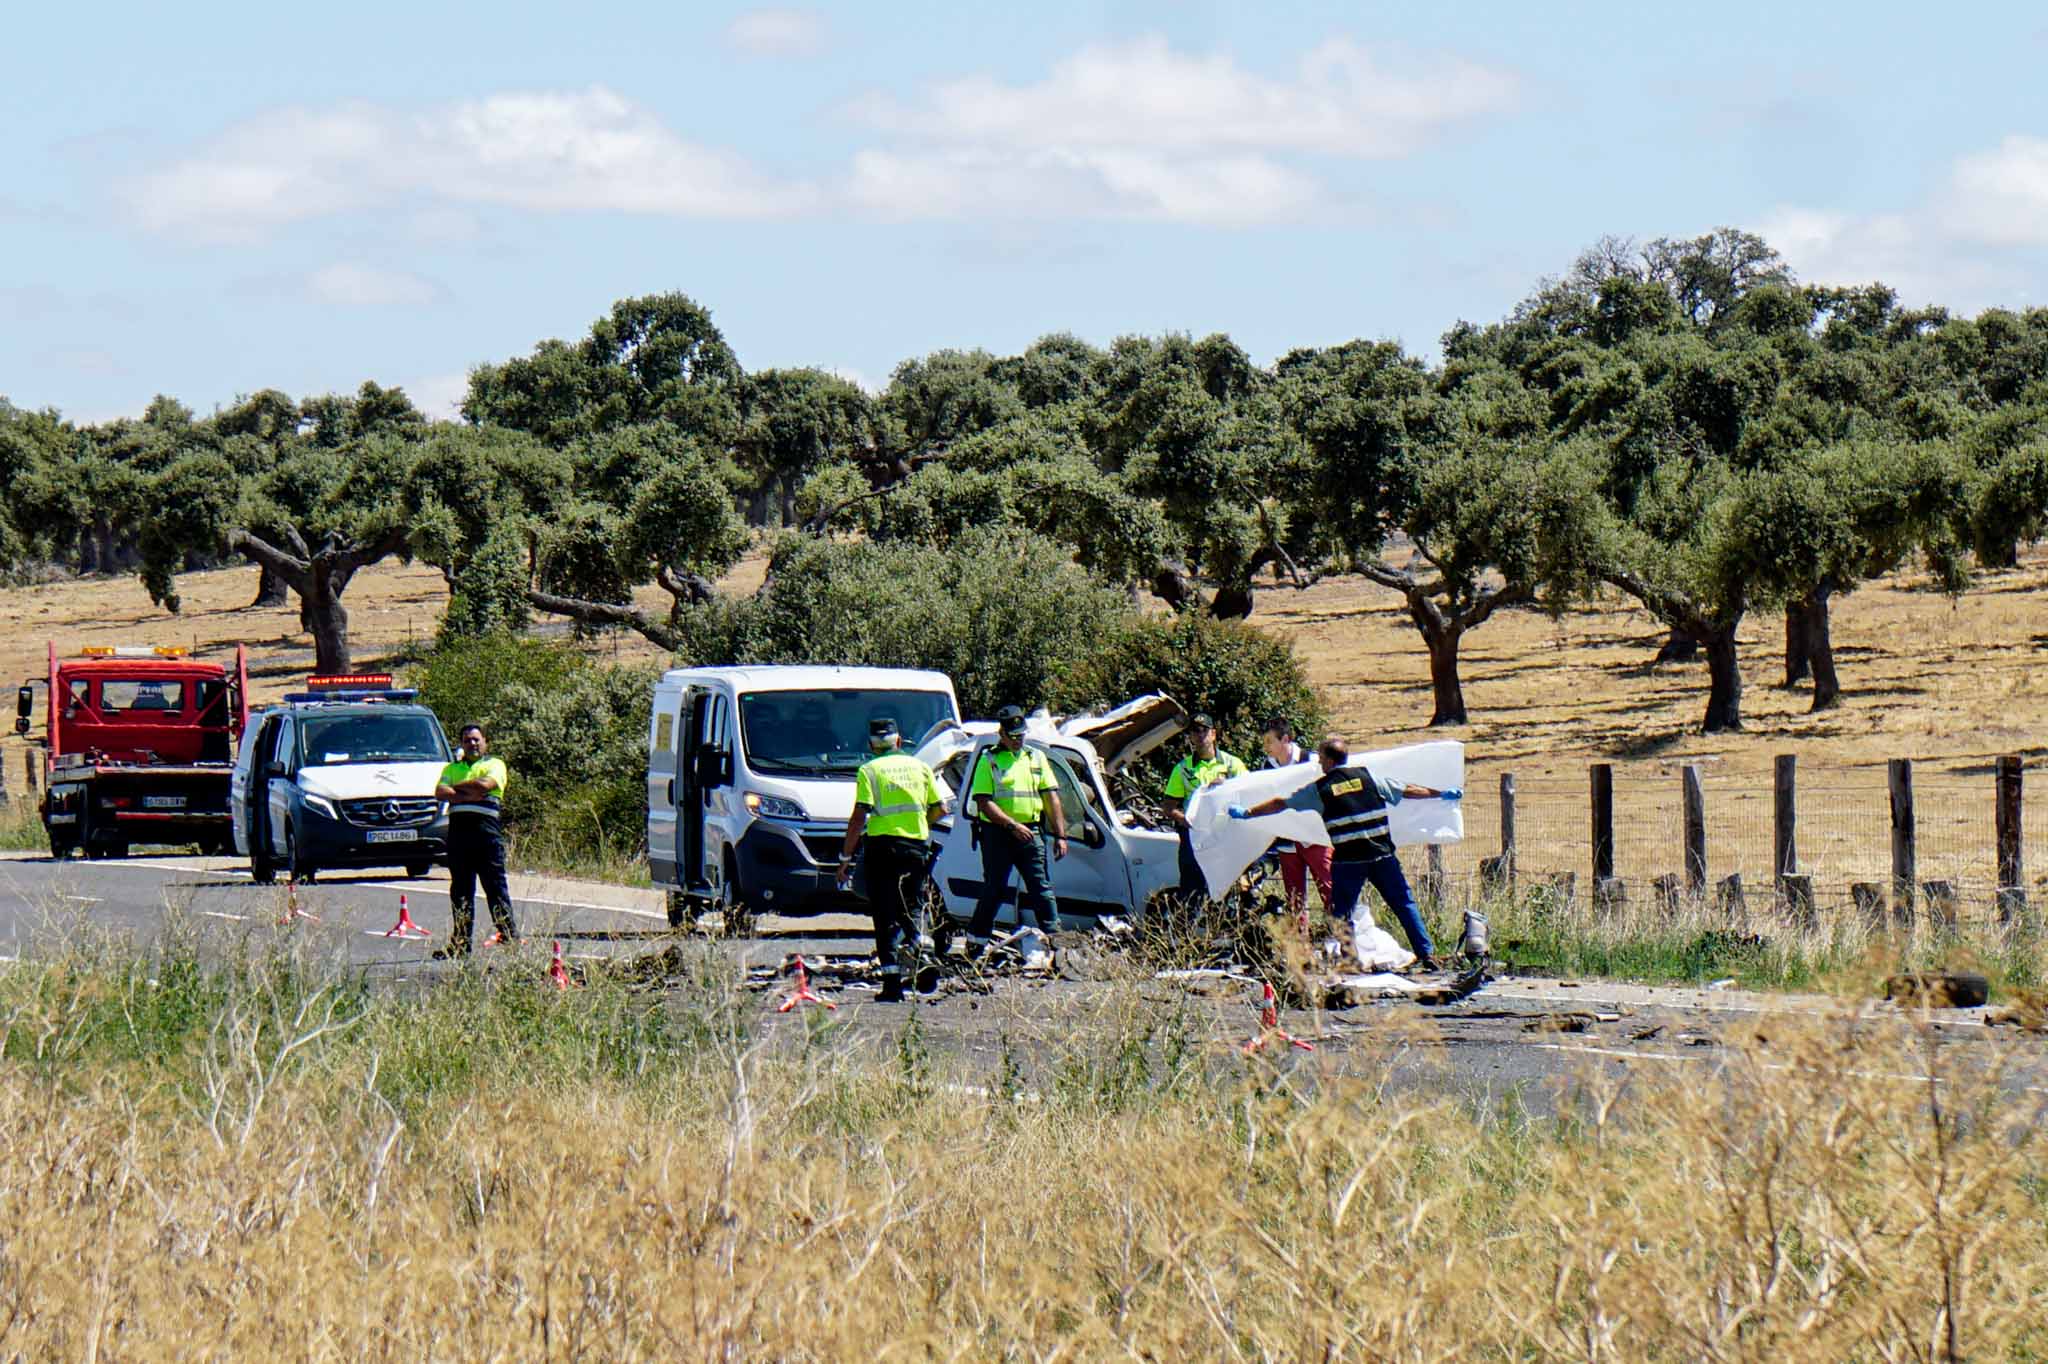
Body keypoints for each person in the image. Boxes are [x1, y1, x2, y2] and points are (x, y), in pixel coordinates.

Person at [1229, 735, 1461, 970]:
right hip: (1381, 855)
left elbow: (1281, 803)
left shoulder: (1320, 789)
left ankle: (1350, 959)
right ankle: (1427, 955)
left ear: (1329, 760)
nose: (1319, 762)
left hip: (1349, 861)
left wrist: (1247, 812)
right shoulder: (1368, 777)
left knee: (1340, 913)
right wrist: (1440, 793)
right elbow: (1407, 790)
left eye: (1321, 757)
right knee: (1404, 903)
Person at [837, 718, 948, 1003]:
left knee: (884, 914)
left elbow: (859, 816)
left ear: (871, 746)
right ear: (900, 742)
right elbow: (941, 807)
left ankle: (892, 984)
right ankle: (923, 951)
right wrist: (920, 824)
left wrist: (845, 857)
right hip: (916, 847)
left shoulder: (869, 770)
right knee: (913, 905)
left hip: (882, 849)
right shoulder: (921, 767)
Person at [964, 705, 1068, 959]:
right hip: (998, 833)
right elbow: (984, 802)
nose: (1018, 739)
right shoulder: (989, 760)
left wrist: (1061, 835)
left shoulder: (1035, 757)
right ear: (1002, 734)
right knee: (994, 889)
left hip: (1031, 832)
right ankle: (975, 944)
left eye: (1021, 734)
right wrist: (1011, 825)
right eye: (1013, 735)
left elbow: (1051, 797)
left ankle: (1056, 943)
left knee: (1041, 888)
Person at [432, 723, 518, 958]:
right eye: (467, 740)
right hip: (459, 835)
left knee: (495, 888)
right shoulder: (452, 767)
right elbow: (440, 792)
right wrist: (470, 790)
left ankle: (509, 938)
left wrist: (457, 790)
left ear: (485, 742)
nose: (472, 744)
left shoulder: (494, 764)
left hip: (486, 834)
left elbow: (486, 785)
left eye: (476, 739)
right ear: (461, 744)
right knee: (460, 891)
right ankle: (460, 945)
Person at [1162, 713, 1248, 903]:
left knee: (1227, 889)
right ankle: (1192, 930)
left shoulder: (1232, 764)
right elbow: (1168, 807)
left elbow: (1248, 794)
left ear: (1213, 734)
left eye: (1204, 730)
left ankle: (1226, 928)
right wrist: (1187, 821)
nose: (1200, 735)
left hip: (1224, 834)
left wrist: (1227, 785)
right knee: (1192, 890)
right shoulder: (1182, 768)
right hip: (1194, 837)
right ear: (1190, 737)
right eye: (1195, 731)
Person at [1259, 717, 1333, 928]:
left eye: (1269, 741)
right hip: (1286, 837)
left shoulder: (1311, 761)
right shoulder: (1267, 766)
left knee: (1329, 888)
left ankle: (1343, 939)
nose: (1266, 747)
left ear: (1285, 739)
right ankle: (1301, 950)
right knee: (1294, 897)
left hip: (1314, 835)